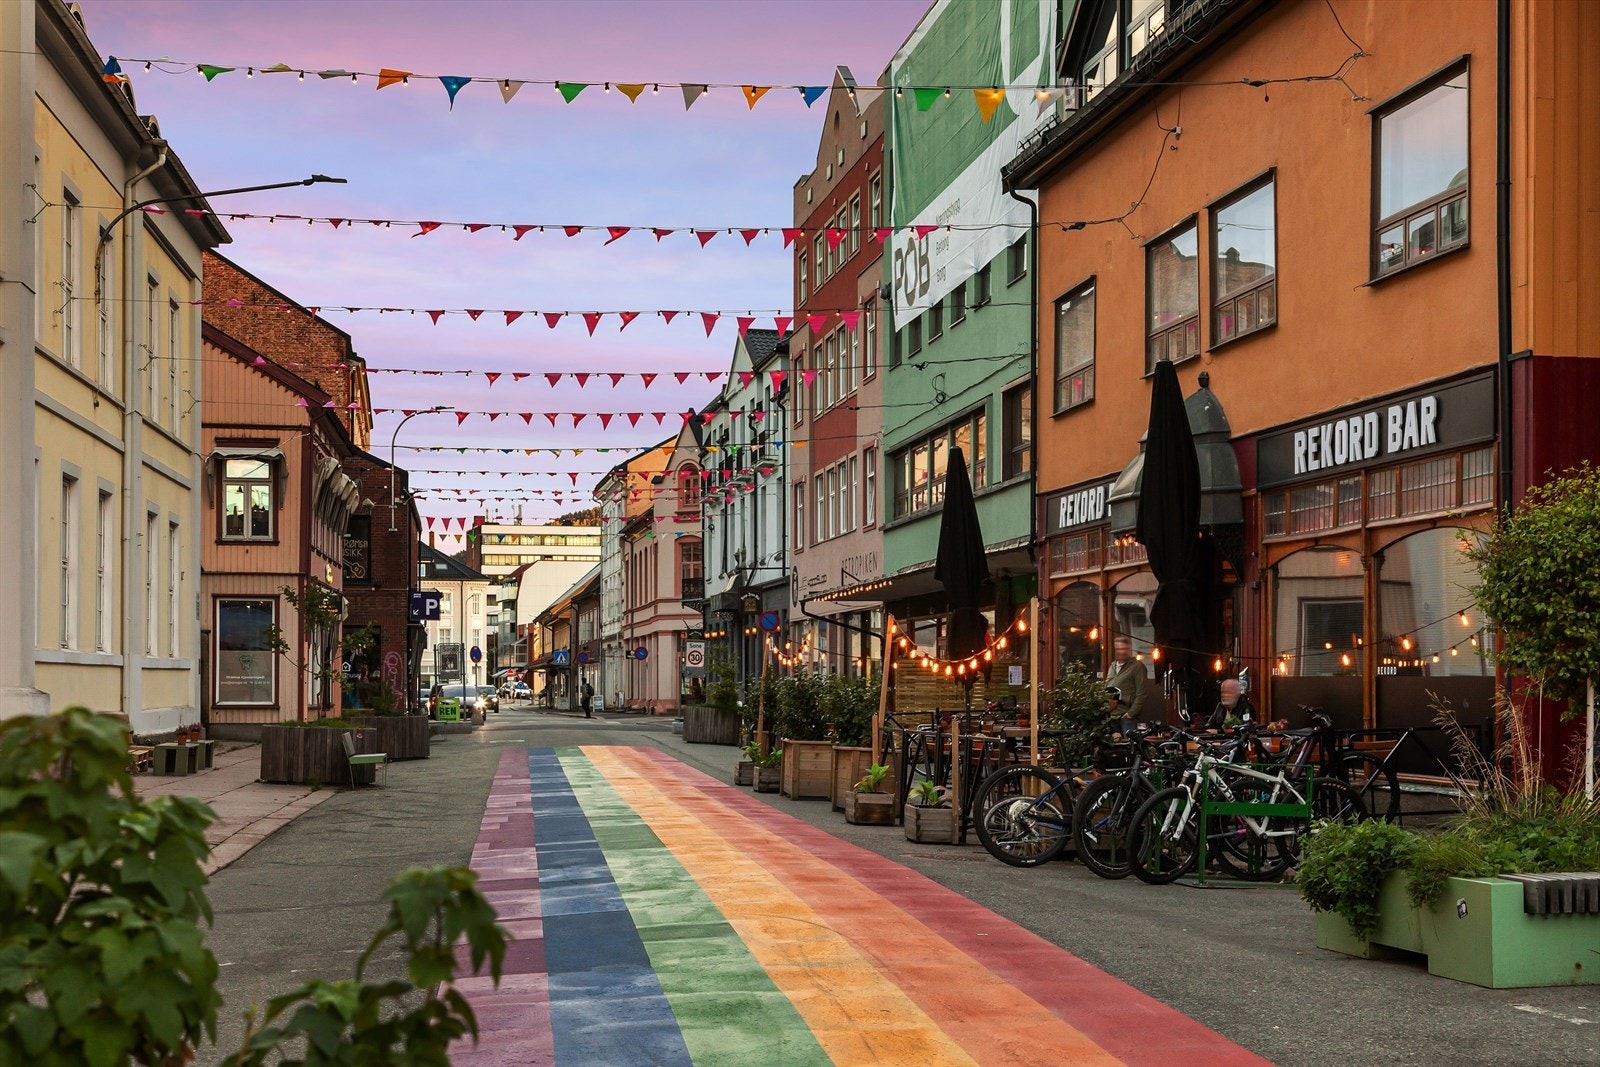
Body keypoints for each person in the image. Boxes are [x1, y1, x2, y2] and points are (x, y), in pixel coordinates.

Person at [1104, 636, 1149, 724]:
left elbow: (1142, 693)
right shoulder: (1113, 665)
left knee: (1128, 737)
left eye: (1124, 648)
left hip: (1126, 716)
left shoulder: (1137, 666)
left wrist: (1131, 713)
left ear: (1129, 650)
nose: (1121, 651)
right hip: (1110, 715)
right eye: (1118, 649)